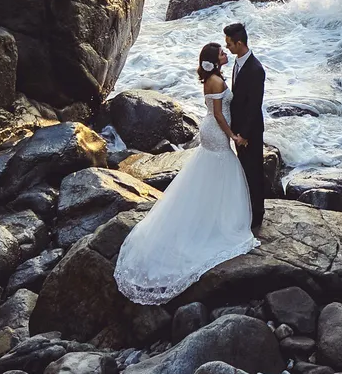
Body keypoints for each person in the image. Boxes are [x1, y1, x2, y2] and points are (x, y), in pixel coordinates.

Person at [111, 42, 259, 304]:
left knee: (210, 170)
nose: (226, 54)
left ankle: (209, 210)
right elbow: (218, 115)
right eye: (221, 53)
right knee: (222, 166)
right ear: (213, 61)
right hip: (215, 131)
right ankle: (217, 218)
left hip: (210, 130)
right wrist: (233, 136)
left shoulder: (213, 78)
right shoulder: (215, 81)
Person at [223, 22, 265, 231]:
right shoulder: (237, 63)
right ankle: (247, 210)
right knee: (245, 171)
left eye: (229, 44)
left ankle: (257, 215)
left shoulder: (256, 69)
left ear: (239, 43)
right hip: (239, 130)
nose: (227, 48)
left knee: (254, 171)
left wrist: (245, 134)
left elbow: (255, 105)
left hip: (251, 132)